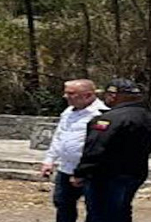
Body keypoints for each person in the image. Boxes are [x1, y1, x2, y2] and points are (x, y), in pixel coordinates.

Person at [71, 79, 151, 222]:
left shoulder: (109, 119)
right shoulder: (149, 117)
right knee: (122, 211)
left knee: (100, 214)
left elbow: (96, 149)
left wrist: (81, 172)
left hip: (107, 175)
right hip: (135, 172)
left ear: (113, 95)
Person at [41, 79, 109, 222]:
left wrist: (84, 169)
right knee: (62, 202)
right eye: (66, 93)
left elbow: (100, 145)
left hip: (89, 171)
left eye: (71, 93)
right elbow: (59, 136)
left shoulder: (102, 114)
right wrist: (49, 160)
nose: (65, 96)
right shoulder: (67, 112)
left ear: (88, 95)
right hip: (66, 168)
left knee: (94, 207)